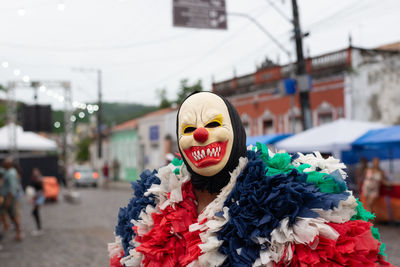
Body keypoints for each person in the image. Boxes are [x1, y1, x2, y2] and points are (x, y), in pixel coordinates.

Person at [109, 92, 393, 266]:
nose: (200, 135)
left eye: (213, 124)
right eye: (189, 128)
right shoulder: (151, 203)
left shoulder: (294, 199)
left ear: (236, 129)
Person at [0, 158, 22, 241]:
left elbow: (12, 189)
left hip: (9, 197)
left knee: (13, 216)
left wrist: (8, 200)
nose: (4, 162)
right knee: (3, 213)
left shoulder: (11, 173)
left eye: (6, 162)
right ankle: (6, 225)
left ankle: (18, 232)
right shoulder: (6, 171)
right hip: (4, 197)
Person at [30, 168, 45, 236]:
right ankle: (39, 228)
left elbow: (42, 190)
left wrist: (35, 197)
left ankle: (39, 228)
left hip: (39, 197)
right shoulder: (35, 179)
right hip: (37, 197)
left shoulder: (39, 180)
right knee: (35, 212)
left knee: (35, 212)